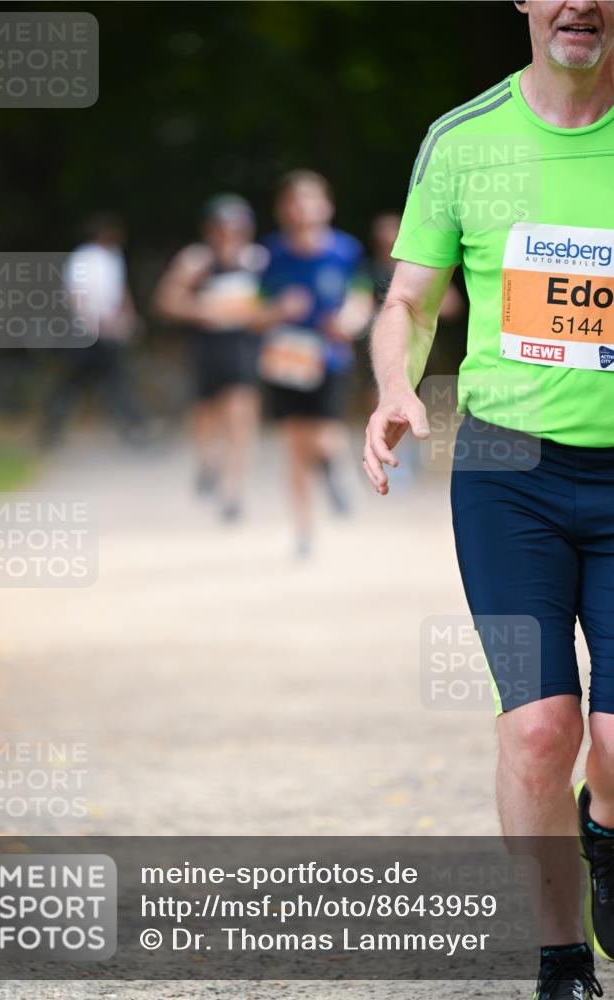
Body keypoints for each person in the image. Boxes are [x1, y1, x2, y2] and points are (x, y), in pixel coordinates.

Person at [364, 2, 613, 998]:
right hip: (509, 471)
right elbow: (409, 301)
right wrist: (392, 386)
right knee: (538, 727)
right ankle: (560, 958)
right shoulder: (463, 140)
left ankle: (601, 828)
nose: (578, 1)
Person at [260, 170, 373, 556]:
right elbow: (251, 308)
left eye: (311, 199)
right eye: (294, 200)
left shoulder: (346, 251)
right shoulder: (270, 254)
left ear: (327, 205)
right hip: (286, 359)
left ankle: (333, 468)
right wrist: (276, 310)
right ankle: (304, 531)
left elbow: (361, 300)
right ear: (283, 209)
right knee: (294, 445)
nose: (303, 208)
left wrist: (349, 323)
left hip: (329, 358)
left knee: (326, 437)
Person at [154, 195, 282, 520]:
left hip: (243, 347)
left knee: (240, 414)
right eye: (223, 227)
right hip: (206, 349)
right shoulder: (196, 260)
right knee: (207, 416)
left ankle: (234, 491)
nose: (229, 234)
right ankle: (207, 462)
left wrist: (259, 314)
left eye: (236, 227)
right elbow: (166, 301)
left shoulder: (258, 260)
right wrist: (202, 310)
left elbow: (274, 302)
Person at [43, 213, 147, 444]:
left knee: (111, 380)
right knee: (82, 381)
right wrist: (90, 322)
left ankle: (135, 427)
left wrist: (127, 317)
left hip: (107, 331)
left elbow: (120, 291)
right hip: (86, 330)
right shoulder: (84, 258)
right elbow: (76, 295)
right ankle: (52, 428)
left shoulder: (113, 258)